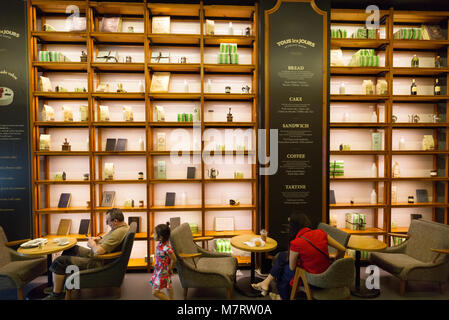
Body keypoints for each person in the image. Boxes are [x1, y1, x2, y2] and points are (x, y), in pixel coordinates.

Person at [251, 212, 346, 300]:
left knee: (283, 269)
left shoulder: (296, 243)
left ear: (292, 227)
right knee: (282, 256)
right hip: (327, 273)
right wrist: (335, 264)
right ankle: (266, 283)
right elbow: (342, 249)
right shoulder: (321, 233)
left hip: (314, 280)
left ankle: (283, 297)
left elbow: (292, 267)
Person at [43, 208, 130, 300]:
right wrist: (99, 238)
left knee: (59, 261)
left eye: (107, 221)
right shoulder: (121, 227)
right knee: (71, 249)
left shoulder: (118, 233)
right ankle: (62, 286)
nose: (106, 223)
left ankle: (56, 294)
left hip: (99, 261)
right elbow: (109, 236)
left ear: (115, 221)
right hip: (98, 256)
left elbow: (99, 251)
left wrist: (92, 244)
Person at [150, 222, 177, 300]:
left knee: (155, 292)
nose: (153, 235)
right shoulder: (161, 243)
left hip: (162, 272)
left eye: (155, 234)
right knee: (169, 285)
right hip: (159, 270)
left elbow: (174, 259)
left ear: (161, 237)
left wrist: (170, 268)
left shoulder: (166, 248)